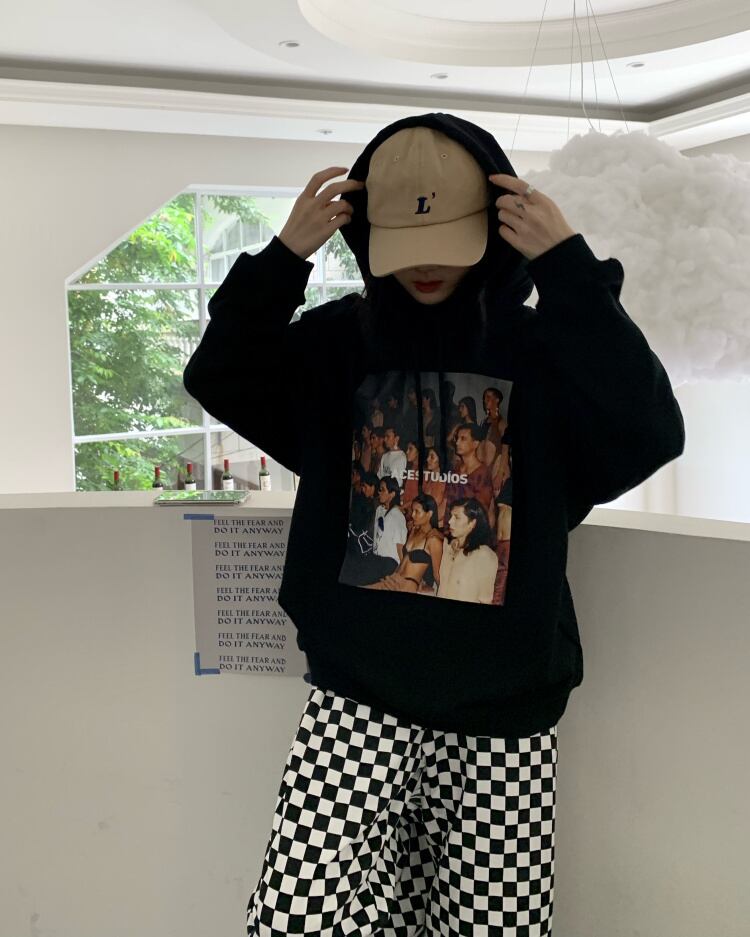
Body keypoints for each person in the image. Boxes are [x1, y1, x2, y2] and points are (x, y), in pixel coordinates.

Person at [183, 112, 686, 936]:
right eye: (404, 243)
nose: (424, 264)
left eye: (448, 240)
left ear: (493, 226)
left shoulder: (539, 349)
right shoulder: (340, 344)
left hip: (503, 710)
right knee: (293, 918)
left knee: (492, 926)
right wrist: (282, 260)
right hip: (355, 696)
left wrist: (568, 269)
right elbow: (220, 374)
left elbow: (650, 428)